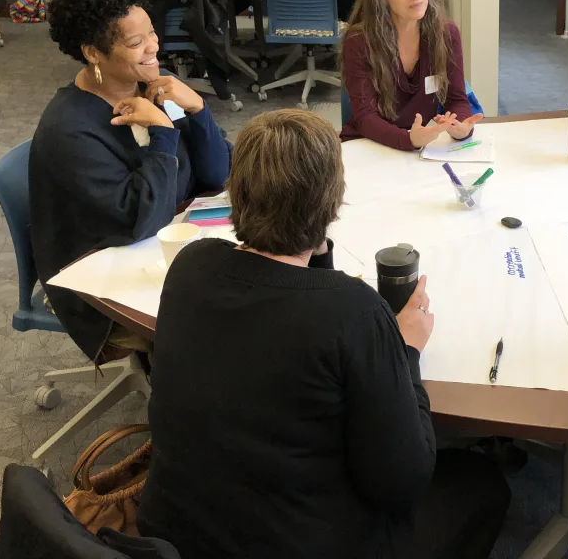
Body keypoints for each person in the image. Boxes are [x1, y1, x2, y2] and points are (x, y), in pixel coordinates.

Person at [137, 109, 510, 559]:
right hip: (303, 542)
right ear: (335, 204)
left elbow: (284, 309)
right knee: (480, 482)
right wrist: (405, 349)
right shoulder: (353, 315)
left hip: (176, 533)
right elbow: (403, 481)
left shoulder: (192, 265)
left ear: (237, 194)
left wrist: (316, 249)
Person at [30, 0, 230, 363]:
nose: (154, 47)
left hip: (169, 247)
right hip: (103, 287)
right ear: (93, 53)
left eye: (152, 33)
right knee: (229, 326)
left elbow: (217, 174)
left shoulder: (157, 86)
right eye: (136, 42)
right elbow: (141, 222)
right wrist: (163, 134)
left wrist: (199, 110)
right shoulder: (69, 130)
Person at [340, 0, 482, 151]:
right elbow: (365, 117)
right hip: (368, 145)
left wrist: (461, 127)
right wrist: (409, 141)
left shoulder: (446, 34)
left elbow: (457, 99)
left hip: (418, 147)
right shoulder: (360, 41)